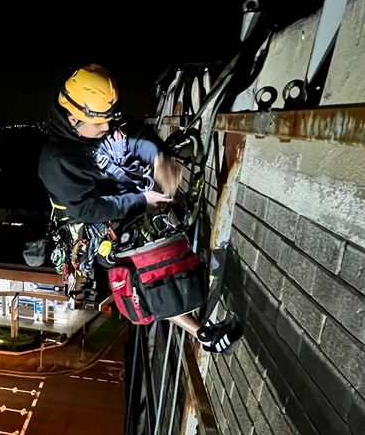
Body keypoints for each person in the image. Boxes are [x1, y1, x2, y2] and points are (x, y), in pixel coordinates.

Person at [38, 63, 241, 354]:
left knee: (159, 255)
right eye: (100, 124)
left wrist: (157, 158)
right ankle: (203, 334)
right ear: (74, 120)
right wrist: (141, 201)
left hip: (131, 200)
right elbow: (87, 210)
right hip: (100, 220)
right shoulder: (58, 162)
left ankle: (198, 314)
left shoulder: (100, 122)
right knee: (141, 278)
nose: (107, 127)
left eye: (109, 119)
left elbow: (134, 136)